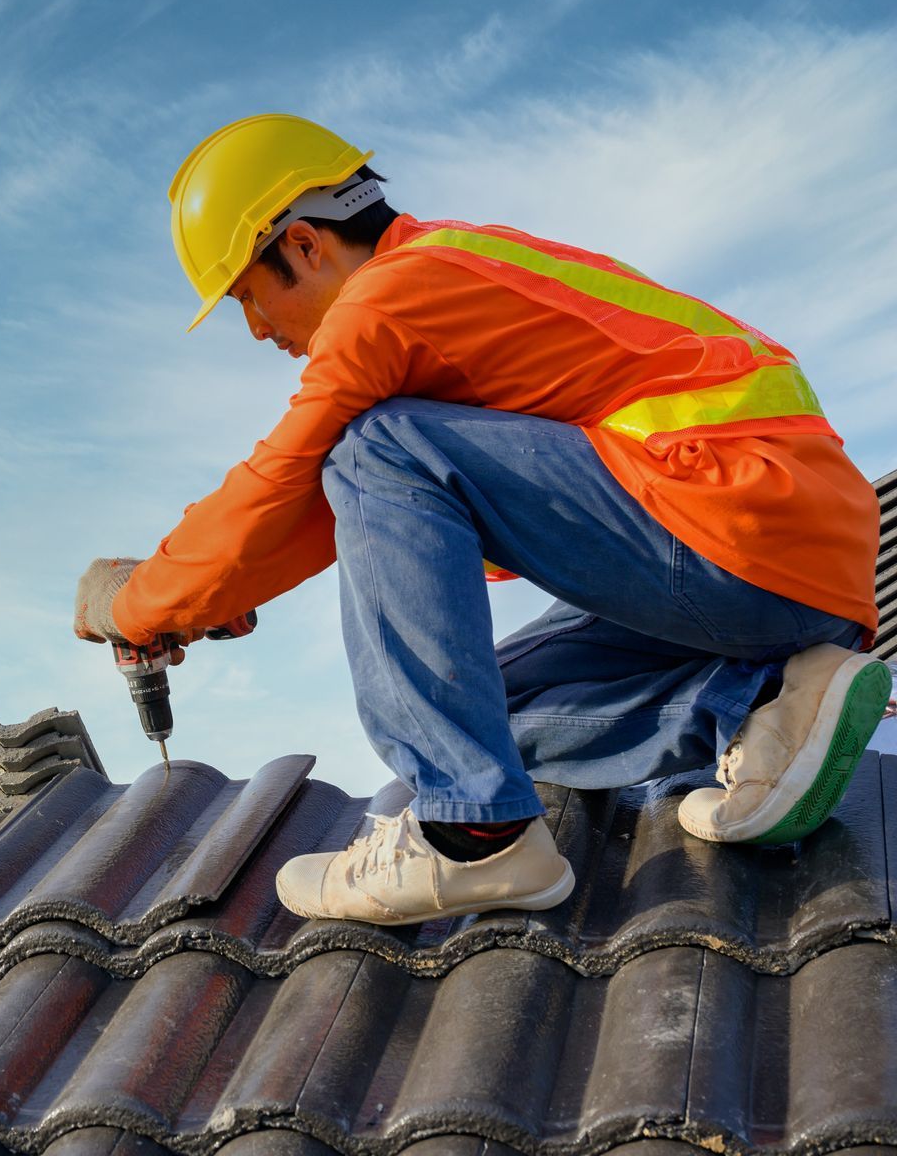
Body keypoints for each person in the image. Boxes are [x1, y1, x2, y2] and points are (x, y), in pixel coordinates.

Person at [72, 114, 888, 925]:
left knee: (372, 447)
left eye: (250, 296)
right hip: (771, 558)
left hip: (734, 526)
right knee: (478, 717)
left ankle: (475, 834)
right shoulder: (455, 265)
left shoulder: (387, 301)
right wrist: (210, 592)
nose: (255, 329)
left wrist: (135, 602)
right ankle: (762, 700)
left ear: (305, 244)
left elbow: (290, 480)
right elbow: (333, 514)